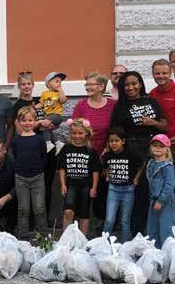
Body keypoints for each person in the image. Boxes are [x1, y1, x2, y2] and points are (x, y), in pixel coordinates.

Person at [110, 71, 167, 235]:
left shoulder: (151, 101)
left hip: (153, 150)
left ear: (140, 84)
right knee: (136, 191)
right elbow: (115, 131)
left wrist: (152, 122)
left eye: (134, 83)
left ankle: (152, 229)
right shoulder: (120, 106)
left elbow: (165, 126)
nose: (131, 87)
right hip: (131, 151)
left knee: (153, 188)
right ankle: (136, 231)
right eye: (126, 85)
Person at [72, 72, 117, 226]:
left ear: (102, 86)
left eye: (91, 84)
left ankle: (101, 224)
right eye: (87, 85)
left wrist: (109, 147)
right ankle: (80, 224)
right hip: (85, 156)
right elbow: (75, 130)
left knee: (103, 191)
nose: (88, 87)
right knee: (84, 190)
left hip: (106, 155)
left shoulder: (112, 105)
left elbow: (116, 129)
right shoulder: (81, 105)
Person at [13, 71, 56, 225]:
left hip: (45, 148)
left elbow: (50, 113)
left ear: (33, 85)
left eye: (28, 83)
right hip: (28, 151)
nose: (26, 86)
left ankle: (45, 221)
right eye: (23, 84)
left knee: (47, 185)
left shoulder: (40, 101)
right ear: (19, 86)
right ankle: (29, 223)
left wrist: (48, 123)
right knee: (26, 198)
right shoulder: (17, 106)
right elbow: (19, 131)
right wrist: (39, 123)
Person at [58, 119, 101, 235]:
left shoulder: (91, 151)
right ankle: (65, 239)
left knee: (84, 214)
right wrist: (62, 184)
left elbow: (95, 171)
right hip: (70, 185)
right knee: (68, 211)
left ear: (86, 133)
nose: (77, 136)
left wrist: (94, 187)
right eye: (74, 133)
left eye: (80, 133)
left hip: (86, 186)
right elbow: (62, 168)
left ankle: (82, 241)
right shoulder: (66, 148)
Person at [11, 106, 48, 239]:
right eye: (24, 120)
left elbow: (44, 157)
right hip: (21, 179)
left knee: (39, 209)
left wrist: (38, 170)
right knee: (23, 209)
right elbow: (15, 156)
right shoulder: (16, 140)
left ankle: (43, 238)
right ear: (19, 122)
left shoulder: (39, 139)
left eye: (30, 120)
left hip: (37, 178)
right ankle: (23, 237)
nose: (27, 123)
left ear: (35, 121)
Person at [103, 127, 143, 243]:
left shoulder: (130, 154)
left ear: (123, 141)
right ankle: (104, 244)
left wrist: (136, 178)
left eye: (117, 141)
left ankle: (125, 245)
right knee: (109, 219)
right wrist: (107, 174)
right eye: (111, 141)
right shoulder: (107, 155)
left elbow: (141, 164)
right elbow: (105, 168)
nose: (114, 143)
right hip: (113, 190)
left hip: (128, 191)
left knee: (125, 220)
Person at [145, 134, 175, 247]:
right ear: (151, 148)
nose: (157, 148)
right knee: (152, 227)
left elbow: (169, 185)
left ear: (167, 149)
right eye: (155, 146)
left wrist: (161, 200)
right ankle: (155, 253)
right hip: (153, 200)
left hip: (165, 202)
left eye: (161, 146)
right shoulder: (151, 163)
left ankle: (167, 252)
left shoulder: (168, 166)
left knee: (165, 228)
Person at [36, 72, 68, 153]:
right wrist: (34, 107)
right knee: (45, 128)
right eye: (57, 81)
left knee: (44, 124)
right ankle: (58, 143)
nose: (59, 84)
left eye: (60, 82)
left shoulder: (59, 93)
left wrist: (61, 91)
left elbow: (63, 100)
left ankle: (48, 143)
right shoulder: (44, 94)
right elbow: (41, 104)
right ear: (49, 83)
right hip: (48, 115)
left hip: (56, 115)